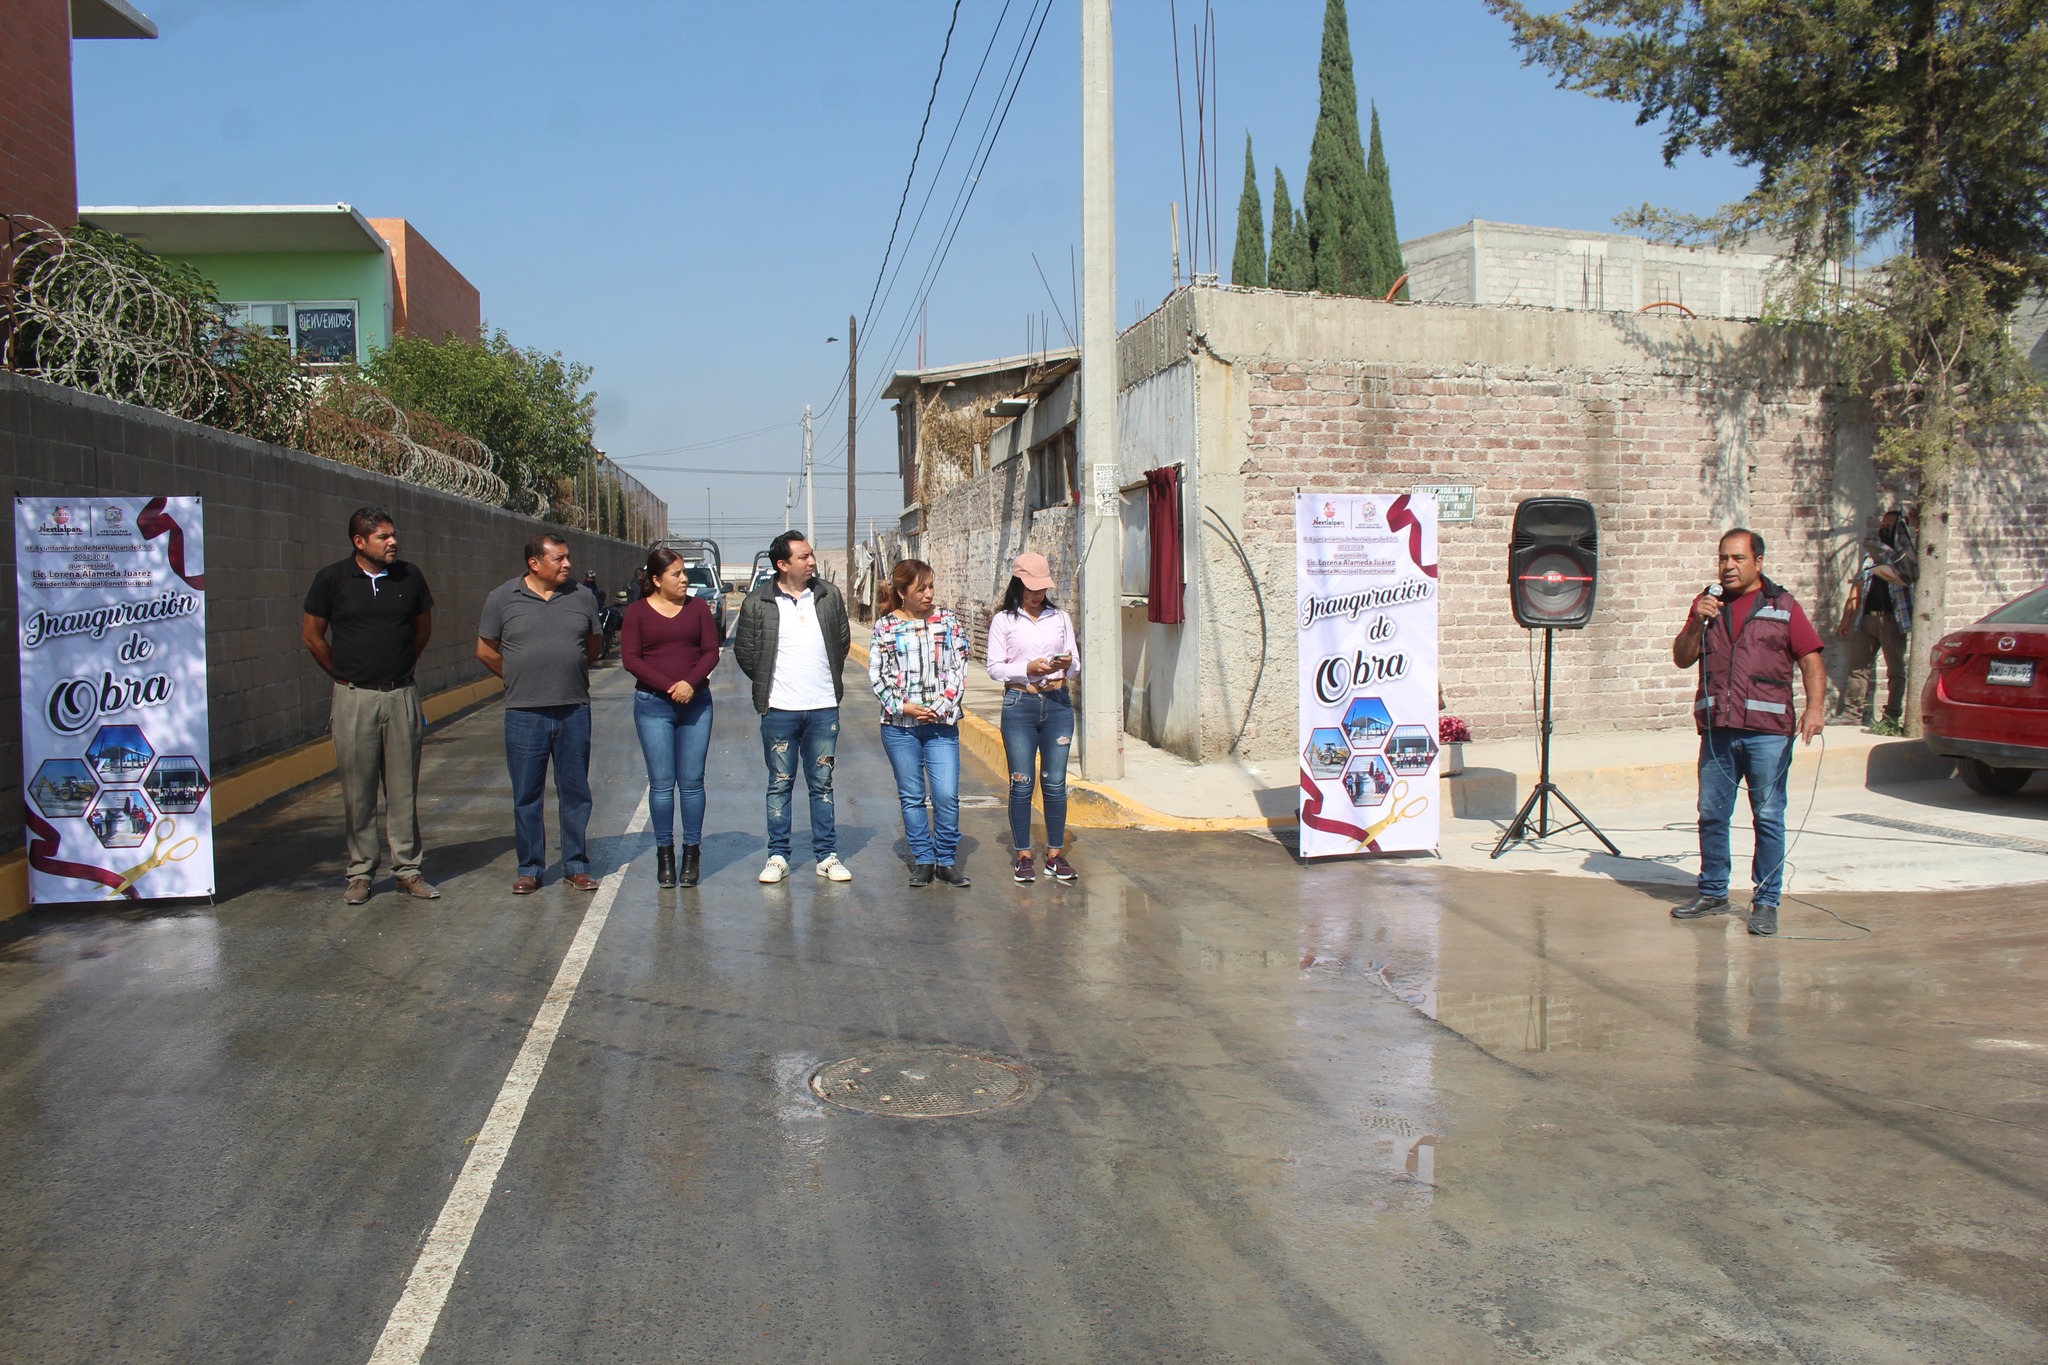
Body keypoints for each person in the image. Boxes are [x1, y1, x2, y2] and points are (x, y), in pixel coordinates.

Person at [1670, 528, 1827, 937]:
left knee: (1770, 816)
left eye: (1737, 558)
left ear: (1758, 562)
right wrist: (1695, 625)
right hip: (1718, 730)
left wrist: (1814, 708)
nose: (1728, 566)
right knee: (1711, 814)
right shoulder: (1708, 604)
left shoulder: (1783, 605)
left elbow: (1810, 659)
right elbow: (1682, 658)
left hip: (1768, 733)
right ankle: (1713, 892)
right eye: (1723, 558)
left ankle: (1767, 900)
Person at [301, 507, 437, 905]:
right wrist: (344, 674)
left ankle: (408, 870)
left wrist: (398, 668)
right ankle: (360, 872)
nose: (393, 542)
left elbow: (422, 628)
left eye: (393, 535)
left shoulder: (409, 577)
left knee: (402, 789)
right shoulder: (332, 580)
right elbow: (313, 636)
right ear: (359, 542)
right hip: (353, 698)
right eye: (383, 537)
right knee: (358, 791)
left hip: (401, 695)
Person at [477, 533, 603, 894]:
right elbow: (485, 650)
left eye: (567, 558)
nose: (568, 565)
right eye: (559, 559)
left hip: (573, 708)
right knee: (527, 794)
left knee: (575, 791)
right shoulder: (502, 598)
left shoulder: (582, 597)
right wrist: (517, 676)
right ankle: (530, 867)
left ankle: (576, 864)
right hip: (524, 713)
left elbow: (591, 647)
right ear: (534, 563)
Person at [732, 531, 853, 884]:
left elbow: (841, 642)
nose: (812, 561)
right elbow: (746, 653)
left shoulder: (829, 596)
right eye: (803, 557)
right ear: (783, 564)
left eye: (811, 555)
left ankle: (827, 855)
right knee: (780, 784)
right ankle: (778, 855)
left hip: (823, 708)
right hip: (779, 710)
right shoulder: (758, 602)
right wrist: (772, 687)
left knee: (822, 784)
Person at [868, 559, 972, 888]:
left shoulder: (948, 621)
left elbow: (960, 665)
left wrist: (942, 706)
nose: (929, 594)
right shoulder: (885, 627)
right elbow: (878, 676)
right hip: (899, 728)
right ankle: (923, 860)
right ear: (901, 593)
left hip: (942, 725)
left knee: (945, 794)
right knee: (912, 796)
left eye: (931, 587)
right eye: (920, 588)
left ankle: (946, 860)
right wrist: (906, 707)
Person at [622, 546, 719, 888]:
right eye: (676, 574)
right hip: (653, 705)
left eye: (683, 572)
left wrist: (690, 684)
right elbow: (632, 659)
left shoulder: (697, 609)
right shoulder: (636, 613)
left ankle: (691, 853)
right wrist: (669, 686)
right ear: (655, 579)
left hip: (696, 703)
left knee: (692, 783)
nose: (684, 579)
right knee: (662, 785)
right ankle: (665, 855)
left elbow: (710, 651)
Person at [985, 551, 1080, 886]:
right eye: (1031, 587)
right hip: (1020, 705)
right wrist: (1027, 668)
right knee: (1022, 782)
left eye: (1042, 587)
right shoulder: (1004, 621)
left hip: (1057, 704)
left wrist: (1062, 664)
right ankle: (1024, 855)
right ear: (1018, 583)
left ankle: (1055, 855)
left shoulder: (1060, 618)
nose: (1037, 593)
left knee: (1054, 783)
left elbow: (1076, 662)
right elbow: (995, 667)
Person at [1834, 504, 1917, 729]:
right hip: (1866, 619)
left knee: (1896, 671)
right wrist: (1847, 618)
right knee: (1858, 667)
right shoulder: (1872, 557)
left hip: (1893, 620)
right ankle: (1852, 713)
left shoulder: (1907, 558)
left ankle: (1891, 717)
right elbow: (1858, 588)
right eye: (1882, 526)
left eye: (1889, 526)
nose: (1884, 529)